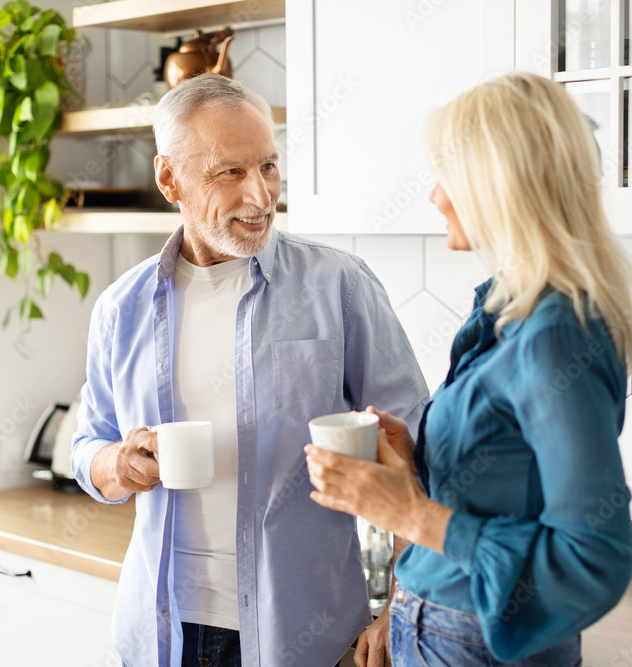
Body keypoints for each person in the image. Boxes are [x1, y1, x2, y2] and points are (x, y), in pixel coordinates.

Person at [71, 74, 429, 667]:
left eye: (268, 166)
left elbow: (415, 450)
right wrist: (119, 464)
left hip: (303, 636)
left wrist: (404, 599)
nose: (261, 196)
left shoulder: (338, 285)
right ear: (169, 179)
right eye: (230, 172)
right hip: (162, 634)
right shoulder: (121, 308)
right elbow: (87, 447)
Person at [305, 71, 632, 666]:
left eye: (448, 176)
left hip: (479, 643)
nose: (435, 196)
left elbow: (595, 559)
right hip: (440, 628)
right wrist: (416, 462)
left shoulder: (553, 335)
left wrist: (410, 514)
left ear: (502, 185)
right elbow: (507, 484)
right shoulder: (510, 312)